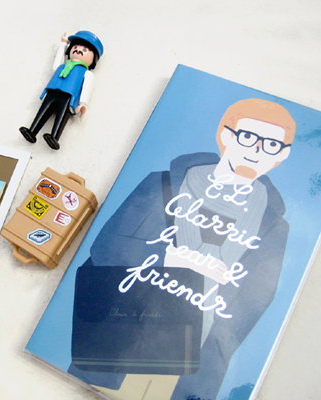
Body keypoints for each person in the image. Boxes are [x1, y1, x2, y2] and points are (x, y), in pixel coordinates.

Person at [69, 99, 296, 399]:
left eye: (271, 145)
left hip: (189, 364)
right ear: (226, 135)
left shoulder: (274, 226)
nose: (256, 150)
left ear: (282, 154)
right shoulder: (162, 183)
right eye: (248, 137)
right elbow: (106, 246)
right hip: (124, 341)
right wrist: (171, 258)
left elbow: (254, 302)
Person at [19, 30, 103, 150]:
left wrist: (83, 103)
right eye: (75, 47)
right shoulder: (62, 66)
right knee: (43, 111)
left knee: (61, 116)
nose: (78, 51)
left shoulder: (86, 73)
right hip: (52, 91)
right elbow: (56, 63)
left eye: (84, 50)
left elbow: (87, 87)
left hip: (69, 96)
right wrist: (63, 44)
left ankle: (54, 137)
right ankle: (32, 131)